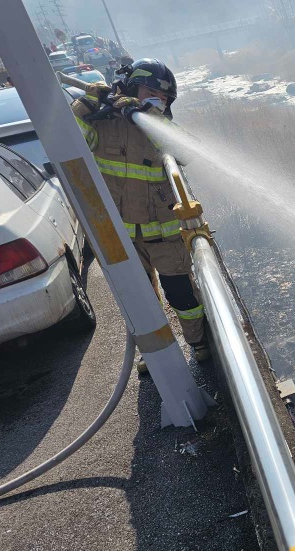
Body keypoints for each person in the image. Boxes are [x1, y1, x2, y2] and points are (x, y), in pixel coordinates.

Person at [72, 58, 209, 374]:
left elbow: (188, 151)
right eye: (151, 92)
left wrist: (146, 114)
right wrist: (84, 106)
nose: (158, 100)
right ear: (132, 86)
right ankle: (157, 353)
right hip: (123, 237)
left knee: (182, 295)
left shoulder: (157, 126)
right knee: (142, 301)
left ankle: (199, 343)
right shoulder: (101, 125)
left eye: (163, 98)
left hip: (166, 234)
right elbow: (71, 141)